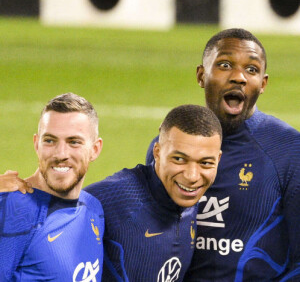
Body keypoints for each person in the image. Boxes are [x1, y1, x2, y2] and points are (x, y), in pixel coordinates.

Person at [146, 28, 300, 281]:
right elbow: (152, 237)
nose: (238, 77)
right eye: (225, 64)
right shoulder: (166, 147)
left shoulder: (289, 151)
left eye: (251, 70)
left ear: (262, 84)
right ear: (201, 75)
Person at [85, 104, 222, 281]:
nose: (192, 176)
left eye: (205, 163)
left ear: (218, 159)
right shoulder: (108, 201)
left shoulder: (188, 200)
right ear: (157, 152)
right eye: (179, 159)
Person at [0, 93, 105, 281]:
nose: (61, 153)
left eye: (74, 142)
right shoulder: (13, 210)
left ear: (95, 149)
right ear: (36, 144)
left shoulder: (93, 208)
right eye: (50, 140)